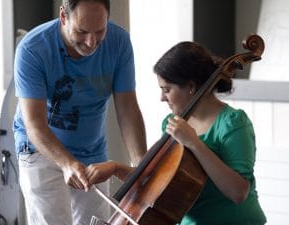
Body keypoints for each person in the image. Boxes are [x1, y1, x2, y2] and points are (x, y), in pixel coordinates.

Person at [86, 41, 267, 224]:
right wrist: (115, 168)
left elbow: (238, 192)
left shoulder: (233, 123)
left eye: (167, 90)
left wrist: (194, 143)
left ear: (190, 86)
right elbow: (154, 183)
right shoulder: (172, 123)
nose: (162, 98)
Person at [13, 0, 147, 224]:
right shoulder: (32, 48)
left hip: (91, 150)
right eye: (82, 31)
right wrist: (67, 163)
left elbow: (128, 108)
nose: (91, 42)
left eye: (100, 30)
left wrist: (141, 167)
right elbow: (34, 124)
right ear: (64, 16)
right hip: (40, 149)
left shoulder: (120, 42)